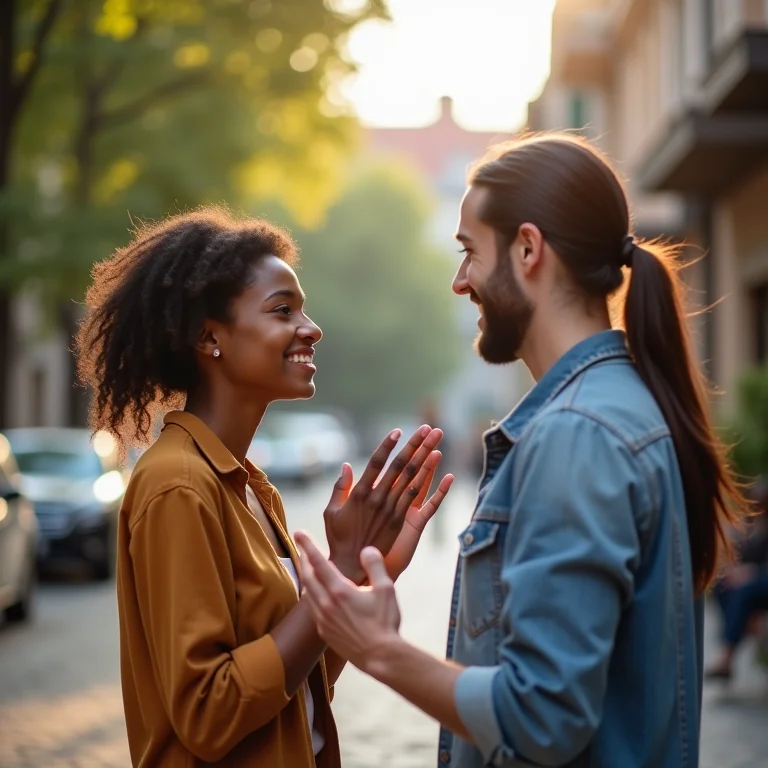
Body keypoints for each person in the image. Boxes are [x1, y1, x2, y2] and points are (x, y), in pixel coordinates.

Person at [294, 133, 749, 768]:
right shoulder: (619, 408)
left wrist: (379, 649)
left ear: (528, 249)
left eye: (469, 252)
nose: (460, 282)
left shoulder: (576, 434)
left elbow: (542, 715)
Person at [74, 206, 453, 768]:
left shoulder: (250, 487)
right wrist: (336, 573)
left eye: (303, 309)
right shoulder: (178, 483)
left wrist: (357, 574)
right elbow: (208, 714)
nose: (311, 328)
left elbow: (295, 689)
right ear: (210, 337)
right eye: (282, 310)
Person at [706, 478, 768, 681]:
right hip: (759, 581)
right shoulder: (757, 527)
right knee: (723, 585)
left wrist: (752, 573)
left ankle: (727, 658)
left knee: (744, 590)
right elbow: (746, 555)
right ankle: (737, 630)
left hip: (761, 581)